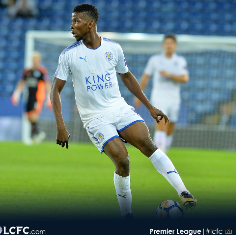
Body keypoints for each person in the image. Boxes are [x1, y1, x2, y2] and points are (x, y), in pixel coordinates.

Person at [51, 4, 196, 219]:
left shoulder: (113, 48)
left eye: (76, 21)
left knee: (148, 144)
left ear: (90, 24)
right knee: (122, 160)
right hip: (95, 118)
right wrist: (61, 126)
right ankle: (126, 214)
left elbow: (126, 76)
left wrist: (149, 106)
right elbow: (55, 90)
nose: (72, 26)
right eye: (72, 21)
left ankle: (184, 192)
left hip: (119, 108)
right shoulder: (68, 56)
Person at [134, 34, 189, 153]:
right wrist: (139, 95)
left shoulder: (179, 61)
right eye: (167, 43)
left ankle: (164, 150)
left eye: (171, 43)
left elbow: (185, 79)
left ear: (175, 46)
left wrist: (169, 75)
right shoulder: (155, 60)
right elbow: (145, 77)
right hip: (159, 97)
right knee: (161, 124)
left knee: (170, 127)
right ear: (163, 45)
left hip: (174, 98)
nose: (169, 46)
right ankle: (160, 153)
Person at [11, 51, 51, 144]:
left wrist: (49, 97)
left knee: (33, 114)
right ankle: (37, 134)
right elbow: (22, 83)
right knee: (28, 116)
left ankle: (34, 135)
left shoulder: (42, 71)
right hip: (29, 95)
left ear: (39, 60)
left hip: (38, 96)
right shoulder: (27, 71)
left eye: (37, 58)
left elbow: (47, 84)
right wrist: (16, 94)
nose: (35, 60)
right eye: (34, 58)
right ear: (32, 60)